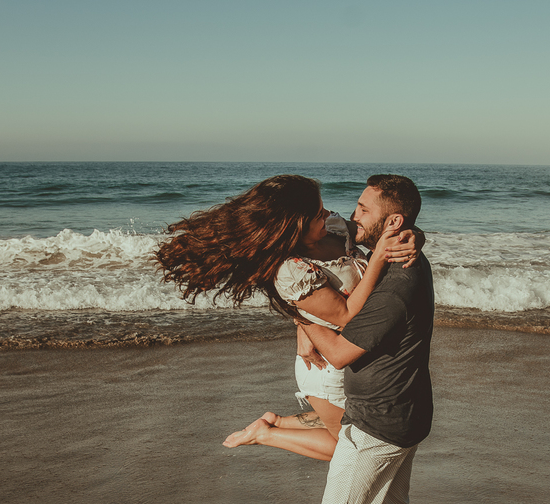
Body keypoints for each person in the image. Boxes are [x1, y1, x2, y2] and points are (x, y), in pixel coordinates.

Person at [155, 175, 420, 461]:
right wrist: (378, 260)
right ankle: (264, 434)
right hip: (325, 368)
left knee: (355, 430)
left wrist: (414, 235)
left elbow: (384, 225)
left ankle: (275, 421)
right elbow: (345, 316)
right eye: (318, 214)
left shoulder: (330, 228)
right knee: (344, 448)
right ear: (296, 225)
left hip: (347, 355)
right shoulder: (292, 271)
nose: (329, 214)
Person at [296, 174, 434, 504]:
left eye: (363, 209)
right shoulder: (405, 254)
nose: (352, 216)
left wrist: (300, 321)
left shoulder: (395, 285)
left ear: (393, 222)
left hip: (379, 421)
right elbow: (351, 239)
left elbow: (337, 353)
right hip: (409, 412)